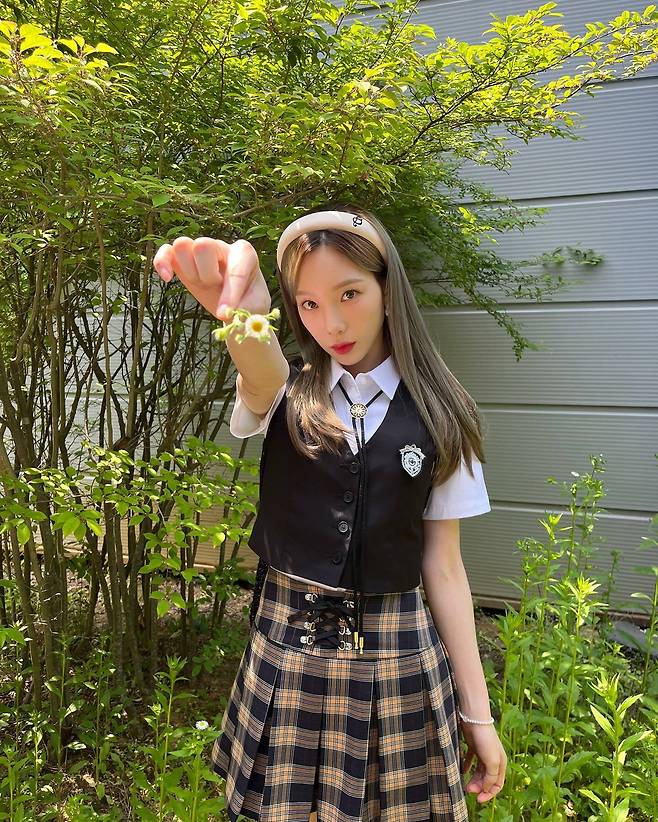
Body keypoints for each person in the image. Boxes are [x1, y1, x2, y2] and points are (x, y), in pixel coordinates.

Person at [153, 203, 507, 821]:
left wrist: (477, 715)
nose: (332, 323)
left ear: (387, 290)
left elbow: (445, 568)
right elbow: (260, 376)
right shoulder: (288, 394)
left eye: (349, 293)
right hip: (288, 651)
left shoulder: (443, 415)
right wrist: (243, 317)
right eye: (309, 304)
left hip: (397, 658)